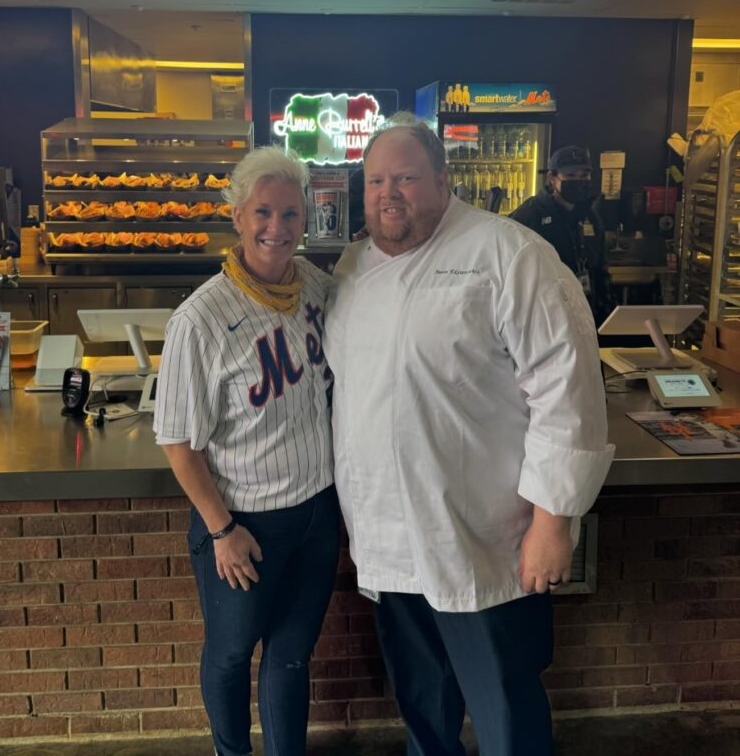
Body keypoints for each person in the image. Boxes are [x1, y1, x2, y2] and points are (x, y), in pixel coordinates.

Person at [324, 119, 613, 756]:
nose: (388, 193)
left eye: (405, 177)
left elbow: (568, 393)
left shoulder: (508, 254)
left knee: (504, 709)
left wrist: (553, 522)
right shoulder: (352, 266)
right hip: (390, 539)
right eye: (375, 180)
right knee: (422, 706)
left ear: (443, 181)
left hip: (486, 542)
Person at [153, 146, 339, 756]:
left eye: (290, 214)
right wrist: (221, 528)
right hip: (244, 522)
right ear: (236, 217)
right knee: (232, 654)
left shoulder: (316, 285)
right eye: (263, 212)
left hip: (316, 512)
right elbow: (177, 441)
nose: (277, 229)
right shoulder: (199, 319)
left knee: (290, 656)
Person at [509, 145, 612, 325]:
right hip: (543, 317)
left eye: (584, 175)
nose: (579, 182)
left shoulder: (591, 216)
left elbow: (600, 267)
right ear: (552, 178)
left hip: (584, 313)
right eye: (570, 176)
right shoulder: (531, 214)